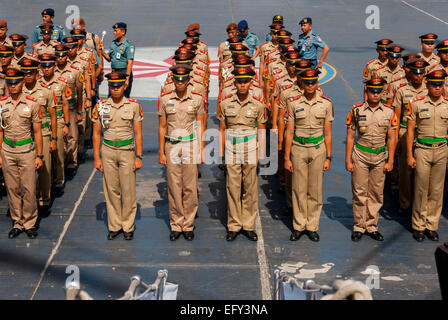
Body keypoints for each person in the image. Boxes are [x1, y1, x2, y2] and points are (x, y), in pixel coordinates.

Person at [345, 77, 398, 242]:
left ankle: (372, 226)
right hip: (360, 155)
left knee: (376, 193)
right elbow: (350, 136)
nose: (375, 94)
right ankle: (359, 226)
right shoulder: (356, 111)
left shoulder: (389, 112)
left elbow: (392, 138)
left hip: (380, 156)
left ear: (383, 93)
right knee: (360, 192)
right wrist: (348, 160)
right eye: (372, 91)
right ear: (366, 92)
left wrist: (390, 161)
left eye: (378, 91)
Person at [92, 72, 142, 240]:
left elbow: (138, 133)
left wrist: (139, 156)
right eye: (112, 86)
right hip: (108, 151)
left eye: (118, 86)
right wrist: (97, 158)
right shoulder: (100, 106)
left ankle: (128, 226)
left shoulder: (134, 106)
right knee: (111, 190)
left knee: (128, 190)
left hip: (127, 151)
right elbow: (97, 134)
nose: (115, 89)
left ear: (124, 86)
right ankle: (114, 225)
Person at [218, 66, 266, 242]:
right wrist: (221, 155)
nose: (242, 85)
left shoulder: (258, 105)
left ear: (251, 82)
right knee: (233, 187)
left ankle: (248, 225)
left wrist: (261, 156)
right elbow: (222, 130)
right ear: (235, 83)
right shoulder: (225, 104)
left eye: (245, 81)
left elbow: (261, 131)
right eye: (239, 82)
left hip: (251, 148)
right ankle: (234, 225)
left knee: (250, 187)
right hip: (232, 148)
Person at [284, 69, 333, 242]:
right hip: (298, 147)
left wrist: (328, 157)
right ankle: (298, 225)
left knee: (315, 190)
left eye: (313, 82)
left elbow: (328, 133)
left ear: (317, 83)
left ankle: (312, 226)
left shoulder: (326, 104)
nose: (310, 85)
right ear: (302, 83)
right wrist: (286, 157)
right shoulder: (293, 103)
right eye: (307, 82)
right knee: (298, 188)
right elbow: (289, 131)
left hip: (318, 149)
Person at [158, 64, 204, 241]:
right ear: (173, 80)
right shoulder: (165, 100)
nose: (180, 83)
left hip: (190, 144)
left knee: (190, 187)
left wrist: (201, 149)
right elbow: (162, 127)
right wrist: (161, 152)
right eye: (177, 79)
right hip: (172, 145)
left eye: (183, 80)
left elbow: (200, 125)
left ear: (188, 81)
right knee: (174, 186)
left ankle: (188, 225)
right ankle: (176, 224)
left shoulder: (197, 99)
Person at [0, 68, 43, 239]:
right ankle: (17, 222)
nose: (12, 86)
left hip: (27, 151)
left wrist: (39, 155)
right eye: (9, 83)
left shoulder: (32, 103)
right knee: (12, 189)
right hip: (8, 150)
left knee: (29, 189)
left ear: (22, 83)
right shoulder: (2, 104)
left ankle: (30, 223)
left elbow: (38, 131)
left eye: (16, 83)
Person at [406, 70, 448, 242]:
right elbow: (409, 131)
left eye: (440, 84)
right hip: (422, 149)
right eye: (434, 84)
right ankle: (419, 225)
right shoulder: (416, 103)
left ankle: (432, 225)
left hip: (441, 149)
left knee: (437, 190)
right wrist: (409, 154)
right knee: (421, 189)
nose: (437, 88)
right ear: (427, 84)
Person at [19, 58, 57, 214]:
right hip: (25, 136)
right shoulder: (17, 91)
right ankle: (29, 201)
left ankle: (44, 199)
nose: (28, 76)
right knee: (26, 172)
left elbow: (53, 115)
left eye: (31, 73)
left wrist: (54, 138)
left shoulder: (46, 91)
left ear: (36, 73)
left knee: (43, 169)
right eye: (25, 73)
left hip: (44, 133)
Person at [391, 58, 428, 216]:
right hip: (405, 131)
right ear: (410, 73)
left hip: (424, 133)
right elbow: (396, 118)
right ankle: (405, 203)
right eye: (415, 73)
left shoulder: (430, 89)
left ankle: (421, 206)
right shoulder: (401, 90)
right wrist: (396, 139)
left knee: (423, 172)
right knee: (405, 171)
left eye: (421, 73)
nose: (418, 76)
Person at [39, 52, 71, 197]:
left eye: (49, 66)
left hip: (57, 120)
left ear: (54, 66)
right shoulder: (38, 84)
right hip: (43, 121)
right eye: (44, 67)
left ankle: (59, 181)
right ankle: (48, 181)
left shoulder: (61, 82)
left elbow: (65, 104)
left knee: (57, 153)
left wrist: (66, 124)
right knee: (45, 156)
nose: (46, 69)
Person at [100, 22, 135, 98]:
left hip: (124, 73)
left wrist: (127, 78)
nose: (114, 33)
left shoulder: (128, 45)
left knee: (124, 97)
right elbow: (109, 59)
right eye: (114, 31)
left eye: (116, 31)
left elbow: (130, 63)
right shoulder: (113, 43)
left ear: (123, 32)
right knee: (111, 96)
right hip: (114, 73)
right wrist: (102, 52)